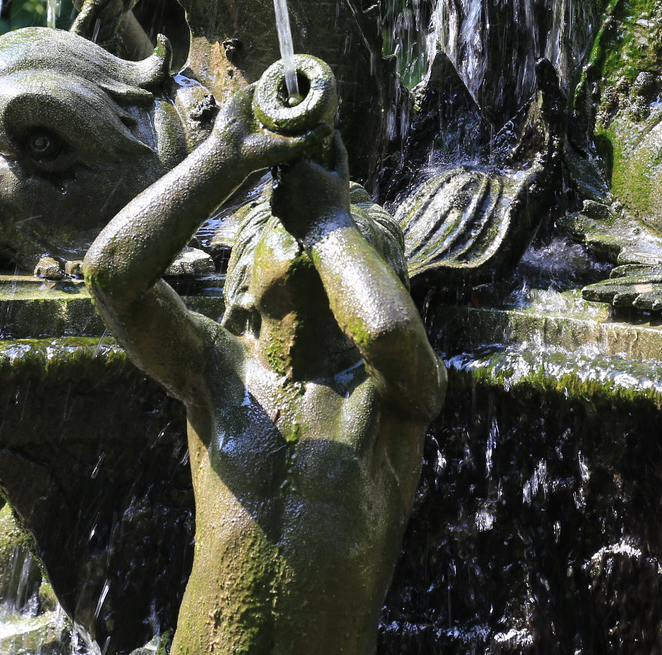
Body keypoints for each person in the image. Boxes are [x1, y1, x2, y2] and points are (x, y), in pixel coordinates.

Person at [82, 81, 447, 655]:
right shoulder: (214, 371)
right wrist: (224, 157)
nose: (308, 234)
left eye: (357, 246)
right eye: (289, 226)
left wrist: (331, 224)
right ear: (246, 285)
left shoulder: (393, 397)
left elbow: (387, 332)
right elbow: (110, 276)